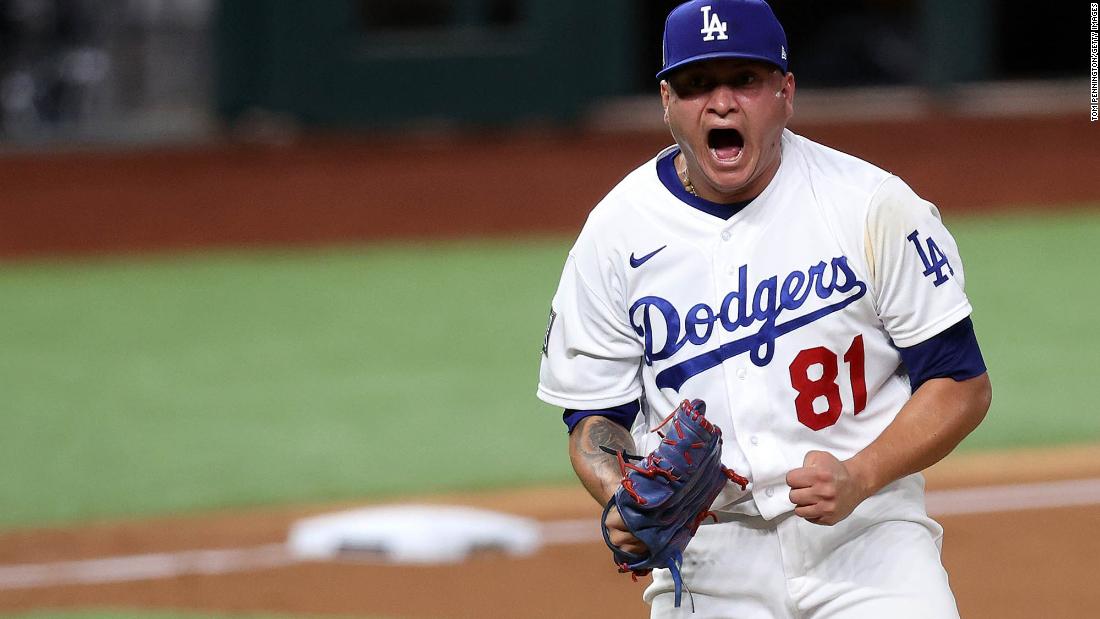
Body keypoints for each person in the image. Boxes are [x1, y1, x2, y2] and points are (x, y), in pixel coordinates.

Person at [536, 0, 992, 617]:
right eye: (698, 85)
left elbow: (960, 382)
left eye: (744, 81)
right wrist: (622, 497)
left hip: (869, 540)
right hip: (706, 554)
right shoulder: (615, 233)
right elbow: (594, 415)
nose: (721, 103)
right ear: (666, 101)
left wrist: (861, 474)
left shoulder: (869, 204)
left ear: (785, 91)